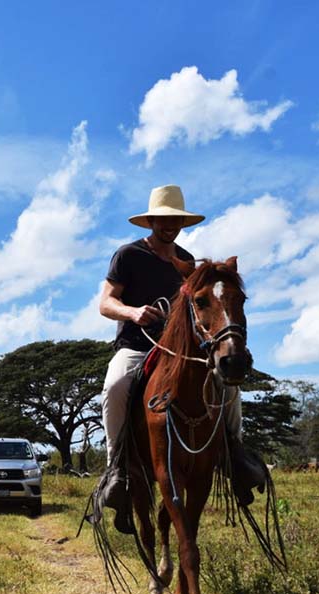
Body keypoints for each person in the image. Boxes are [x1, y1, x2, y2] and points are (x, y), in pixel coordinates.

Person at [97, 185, 266, 519]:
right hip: (137, 345)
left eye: (175, 220)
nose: (168, 225)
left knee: (226, 385)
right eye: (162, 219)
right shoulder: (128, 255)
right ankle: (116, 467)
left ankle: (235, 453)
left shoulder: (187, 262)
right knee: (115, 387)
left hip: (181, 351)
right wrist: (133, 312)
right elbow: (105, 303)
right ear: (151, 222)